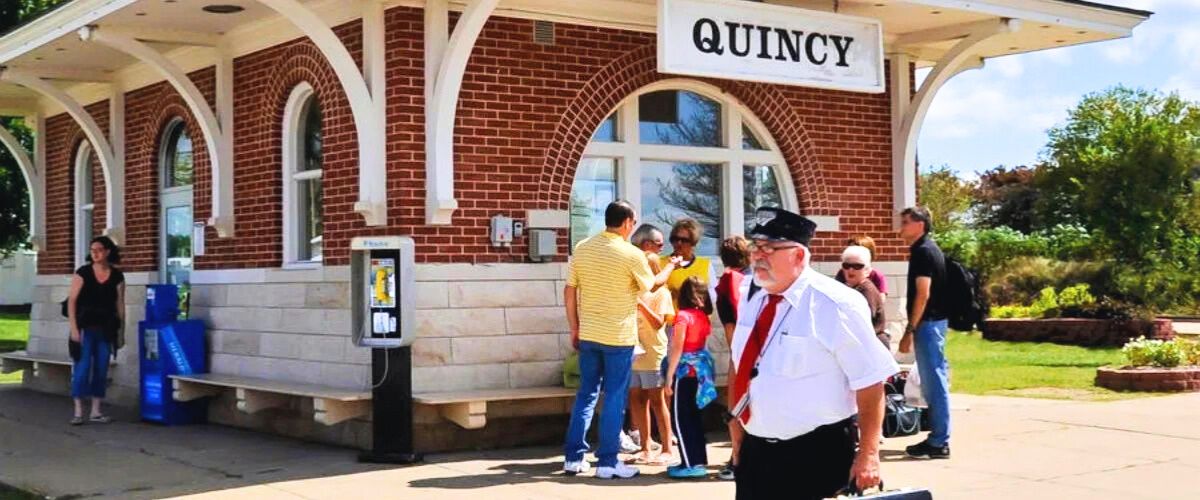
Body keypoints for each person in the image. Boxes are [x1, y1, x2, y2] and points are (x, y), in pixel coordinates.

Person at [730, 207, 897, 499]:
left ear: (798, 255)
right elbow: (740, 362)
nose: (758, 255)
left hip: (816, 453)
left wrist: (869, 455)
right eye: (755, 247)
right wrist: (736, 423)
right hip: (755, 451)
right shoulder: (751, 295)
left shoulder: (835, 304)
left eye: (769, 248)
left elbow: (870, 382)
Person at [563, 200, 680, 479]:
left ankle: (573, 458)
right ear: (627, 222)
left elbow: (569, 292)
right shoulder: (632, 254)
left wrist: (574, 327)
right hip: (619, 337)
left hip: (589, 333)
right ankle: (607, 462)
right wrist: (672, 266)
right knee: (615, 396)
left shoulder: (582, 248)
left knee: (586, 395)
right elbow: (653, 285)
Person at [897, 207, 952, 459]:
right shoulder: (929, 249)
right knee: (933, 381)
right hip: (933, 323)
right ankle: (937, 437)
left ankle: (939, 441)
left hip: (928, 324)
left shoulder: (923, 252)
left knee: (935, 382)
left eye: (906, 222)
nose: (901, 228)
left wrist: (910, 330)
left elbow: (923, 293)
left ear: (920, 225)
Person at [66, 236, 125, 426]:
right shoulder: (83, 273)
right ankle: (78, 411)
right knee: (82, 369)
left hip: (106, 328)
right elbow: (72, 301)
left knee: (101, 368)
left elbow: (120, 303)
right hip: (84, 327)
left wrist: (122, 331)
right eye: (92, 250)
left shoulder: (117, 276)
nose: (95, 253)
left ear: (108, 251)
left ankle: (96, 411)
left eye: (99, 249)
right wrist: (74, 329)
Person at [663, 276, 716, 479]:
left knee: (681, 420)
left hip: (684, 373)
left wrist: (669, 377)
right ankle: (696, 460)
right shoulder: (703, 316)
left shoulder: (683, 316)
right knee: (694, 418)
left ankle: (690, 463)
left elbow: (677, 347)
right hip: (700, 373)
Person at [628, 253, 676, 466]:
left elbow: (659, 323)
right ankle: (645, 447)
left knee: (657, 400)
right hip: (634, 353)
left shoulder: (662, 294)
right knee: (636, 400)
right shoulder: (633, 291)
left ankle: (667, 448)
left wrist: (641, 305)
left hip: (654, 353)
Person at [715, 235, 751, 481]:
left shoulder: (728, 283)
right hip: (766, 351)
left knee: (735, 408)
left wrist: (737, 359)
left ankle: (737, 461)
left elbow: (730, 327)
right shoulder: (759, 279)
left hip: (742, 352)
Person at [661, 218, 717, 308]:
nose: (679, 243)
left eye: (684, 240)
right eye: (675, 239)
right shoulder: (661, 263)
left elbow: (713, 296)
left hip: (697, 319)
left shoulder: (705, 265)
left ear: (694, 242)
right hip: (671, 320)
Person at [842, 245, 889, 350]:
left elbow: (862, 320)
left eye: (857, 266)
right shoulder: (849, 287)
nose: (851, 269)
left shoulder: (866, 289)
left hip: (873, 345)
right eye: (846, 265)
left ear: (867, 270)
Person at [835, 235, 888, 300]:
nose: (850, 269)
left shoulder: (876, 275)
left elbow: (881, 299)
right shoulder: (843, 272)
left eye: (857, 266)